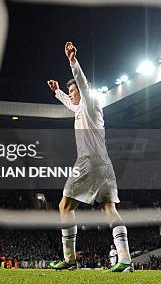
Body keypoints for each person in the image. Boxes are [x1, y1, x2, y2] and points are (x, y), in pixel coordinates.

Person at [47, 41, 132, 273]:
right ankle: (125, 259)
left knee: (65, 206)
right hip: (105, 165)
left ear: (83, 92)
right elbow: (71, 104)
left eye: (74, 92)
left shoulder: (91, 100)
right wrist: (58, 92)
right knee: (109, 210)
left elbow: (82, 84)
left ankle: (70, 259)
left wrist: (72, 60)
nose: (73, 95)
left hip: (88, 162)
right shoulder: (82, 109)